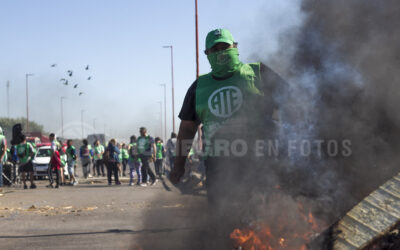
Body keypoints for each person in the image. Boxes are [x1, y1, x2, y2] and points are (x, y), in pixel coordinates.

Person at [170, 28, 286, 205]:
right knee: (224, 218)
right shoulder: (198, 87)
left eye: (225, 47)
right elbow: (187, 128)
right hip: (219, 165)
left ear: (235, 47)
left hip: (259, 160)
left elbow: (292, 102)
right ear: (207, 53)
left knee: (263, 214)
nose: (220, 53)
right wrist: (179, 165)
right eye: (215, 50)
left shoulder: (258, 73)